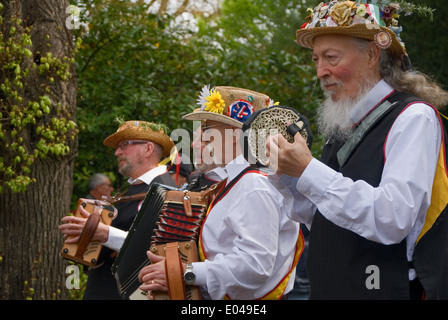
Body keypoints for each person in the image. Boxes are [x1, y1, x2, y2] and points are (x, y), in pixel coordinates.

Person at [266, 1, 448, 299]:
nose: (320, 72)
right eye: (316, 59)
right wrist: (289, 173)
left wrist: (309, 170)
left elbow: (392, 219)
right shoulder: (344, 123)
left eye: (331, 57)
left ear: (372, 55)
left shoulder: (413, 117)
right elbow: (324, 216)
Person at [138, 86, 303, 300]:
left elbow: (255, 266)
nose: (199, 141)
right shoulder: (240, 181)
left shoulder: (254, 185)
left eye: (206, 130)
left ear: (235, 135)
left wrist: (185, 273)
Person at [59, 120, 178, 299]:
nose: (117, 152)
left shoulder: (166, 190)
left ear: (148, 149)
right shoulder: (133, 189)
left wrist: (103, 233)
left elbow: (156, 249)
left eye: (124, 145)